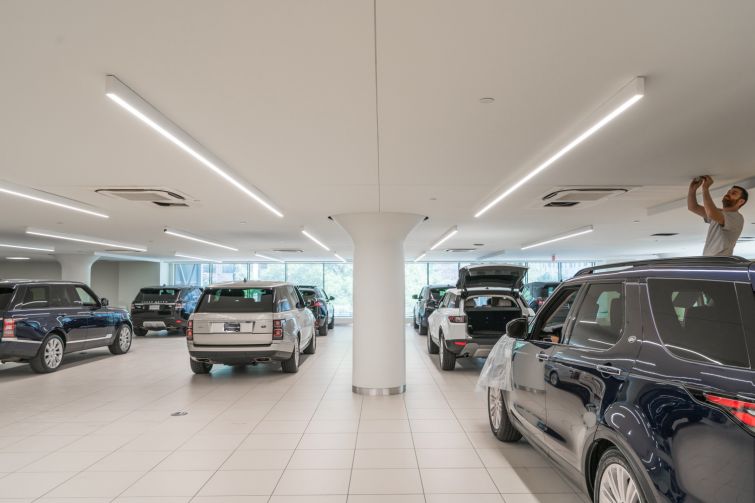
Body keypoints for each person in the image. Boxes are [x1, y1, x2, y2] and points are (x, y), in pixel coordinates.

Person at [687, 176, 748, 256]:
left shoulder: (737, 218)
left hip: (720, 261)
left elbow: (711, 213)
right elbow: (693, 207)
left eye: (733, 193)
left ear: (741, 201)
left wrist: (705, 188)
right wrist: (692, 189)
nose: (728, 194)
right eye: (728, 192)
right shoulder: (719, 213)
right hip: (712, 261)